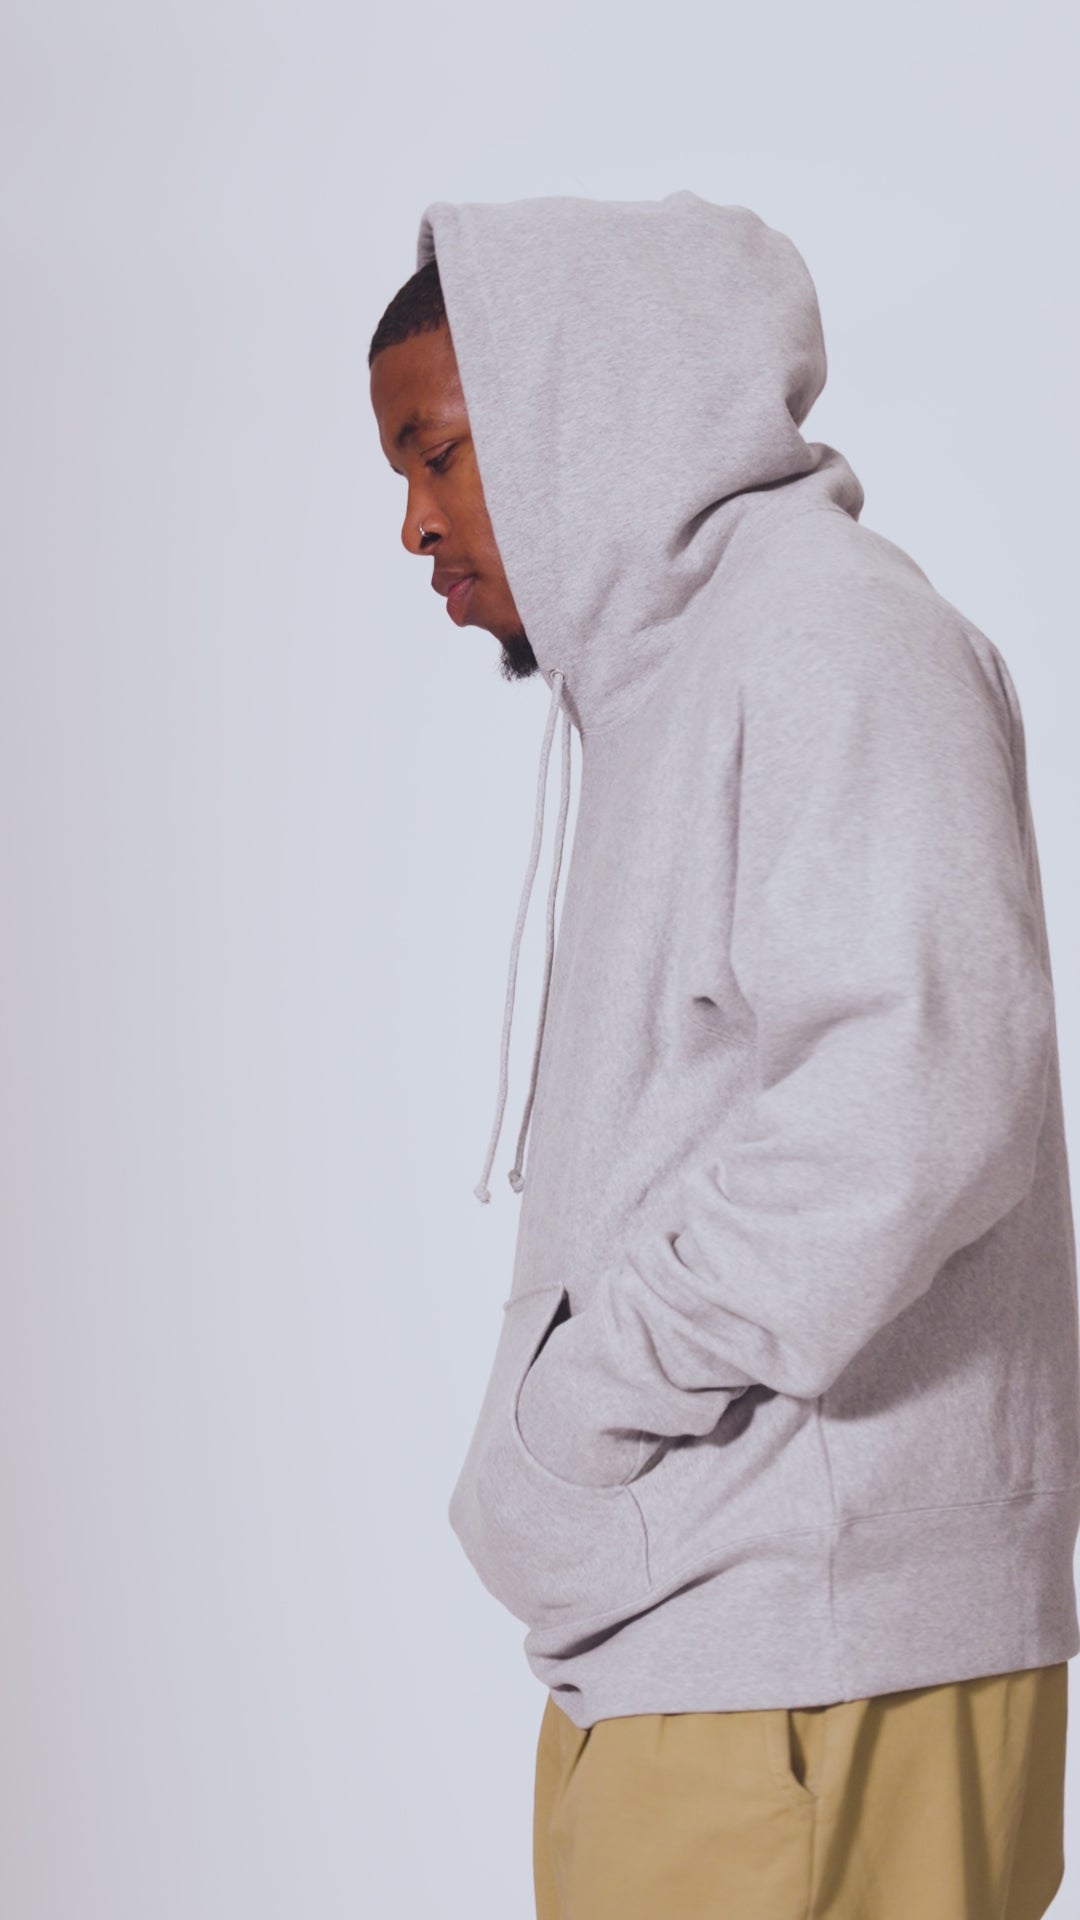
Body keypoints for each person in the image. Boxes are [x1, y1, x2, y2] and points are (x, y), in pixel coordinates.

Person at [368, 191, 1079, 1918]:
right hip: (715, 1644)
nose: (415, 523)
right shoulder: (678, 686)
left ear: (577, 407)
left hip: (811, 1669)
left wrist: (581, 1412)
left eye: (440, 454)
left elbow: (915, 1107)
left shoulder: (830, 641)